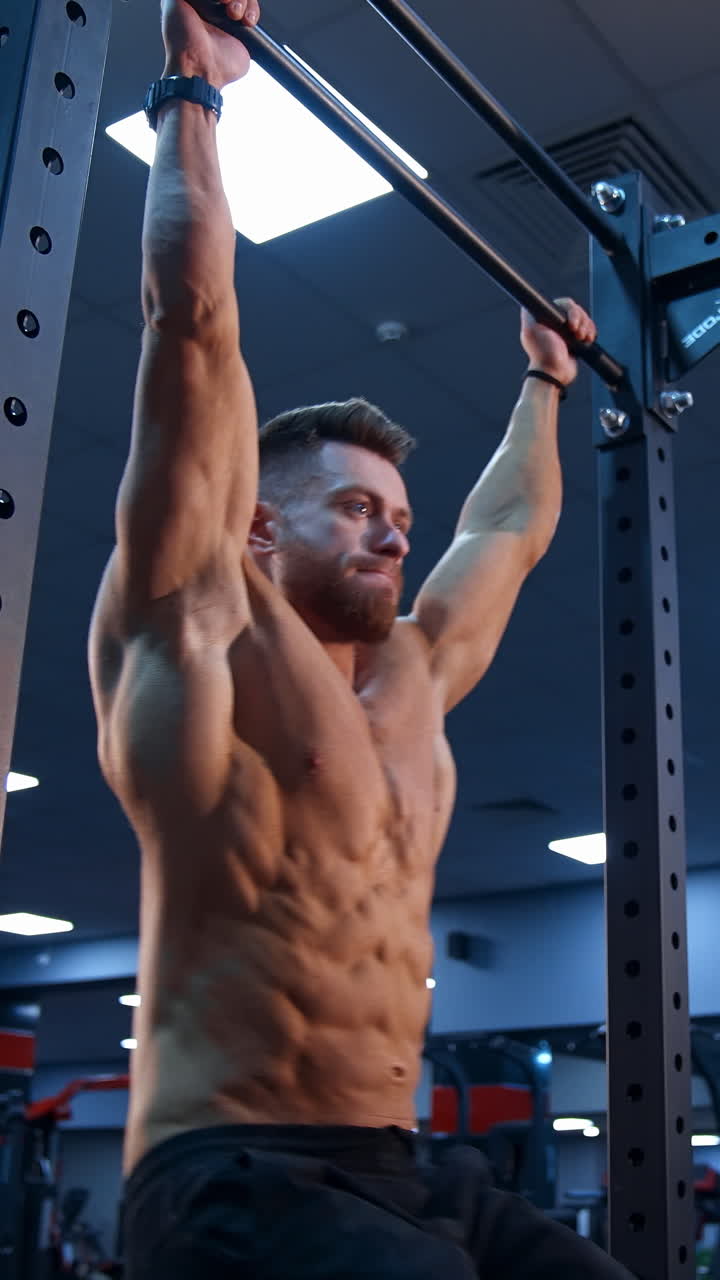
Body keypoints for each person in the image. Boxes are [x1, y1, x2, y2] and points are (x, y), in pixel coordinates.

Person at [89, 1, 632, 1276]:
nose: (396, 538)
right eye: (357, 510)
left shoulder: (415, 680)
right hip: (233, 1172)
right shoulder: (199, 635)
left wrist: (546, 381)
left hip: (398, 1160)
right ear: (260, 528)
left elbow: (507, 529)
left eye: (398, 516)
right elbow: (194, 328)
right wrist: (194, 93)